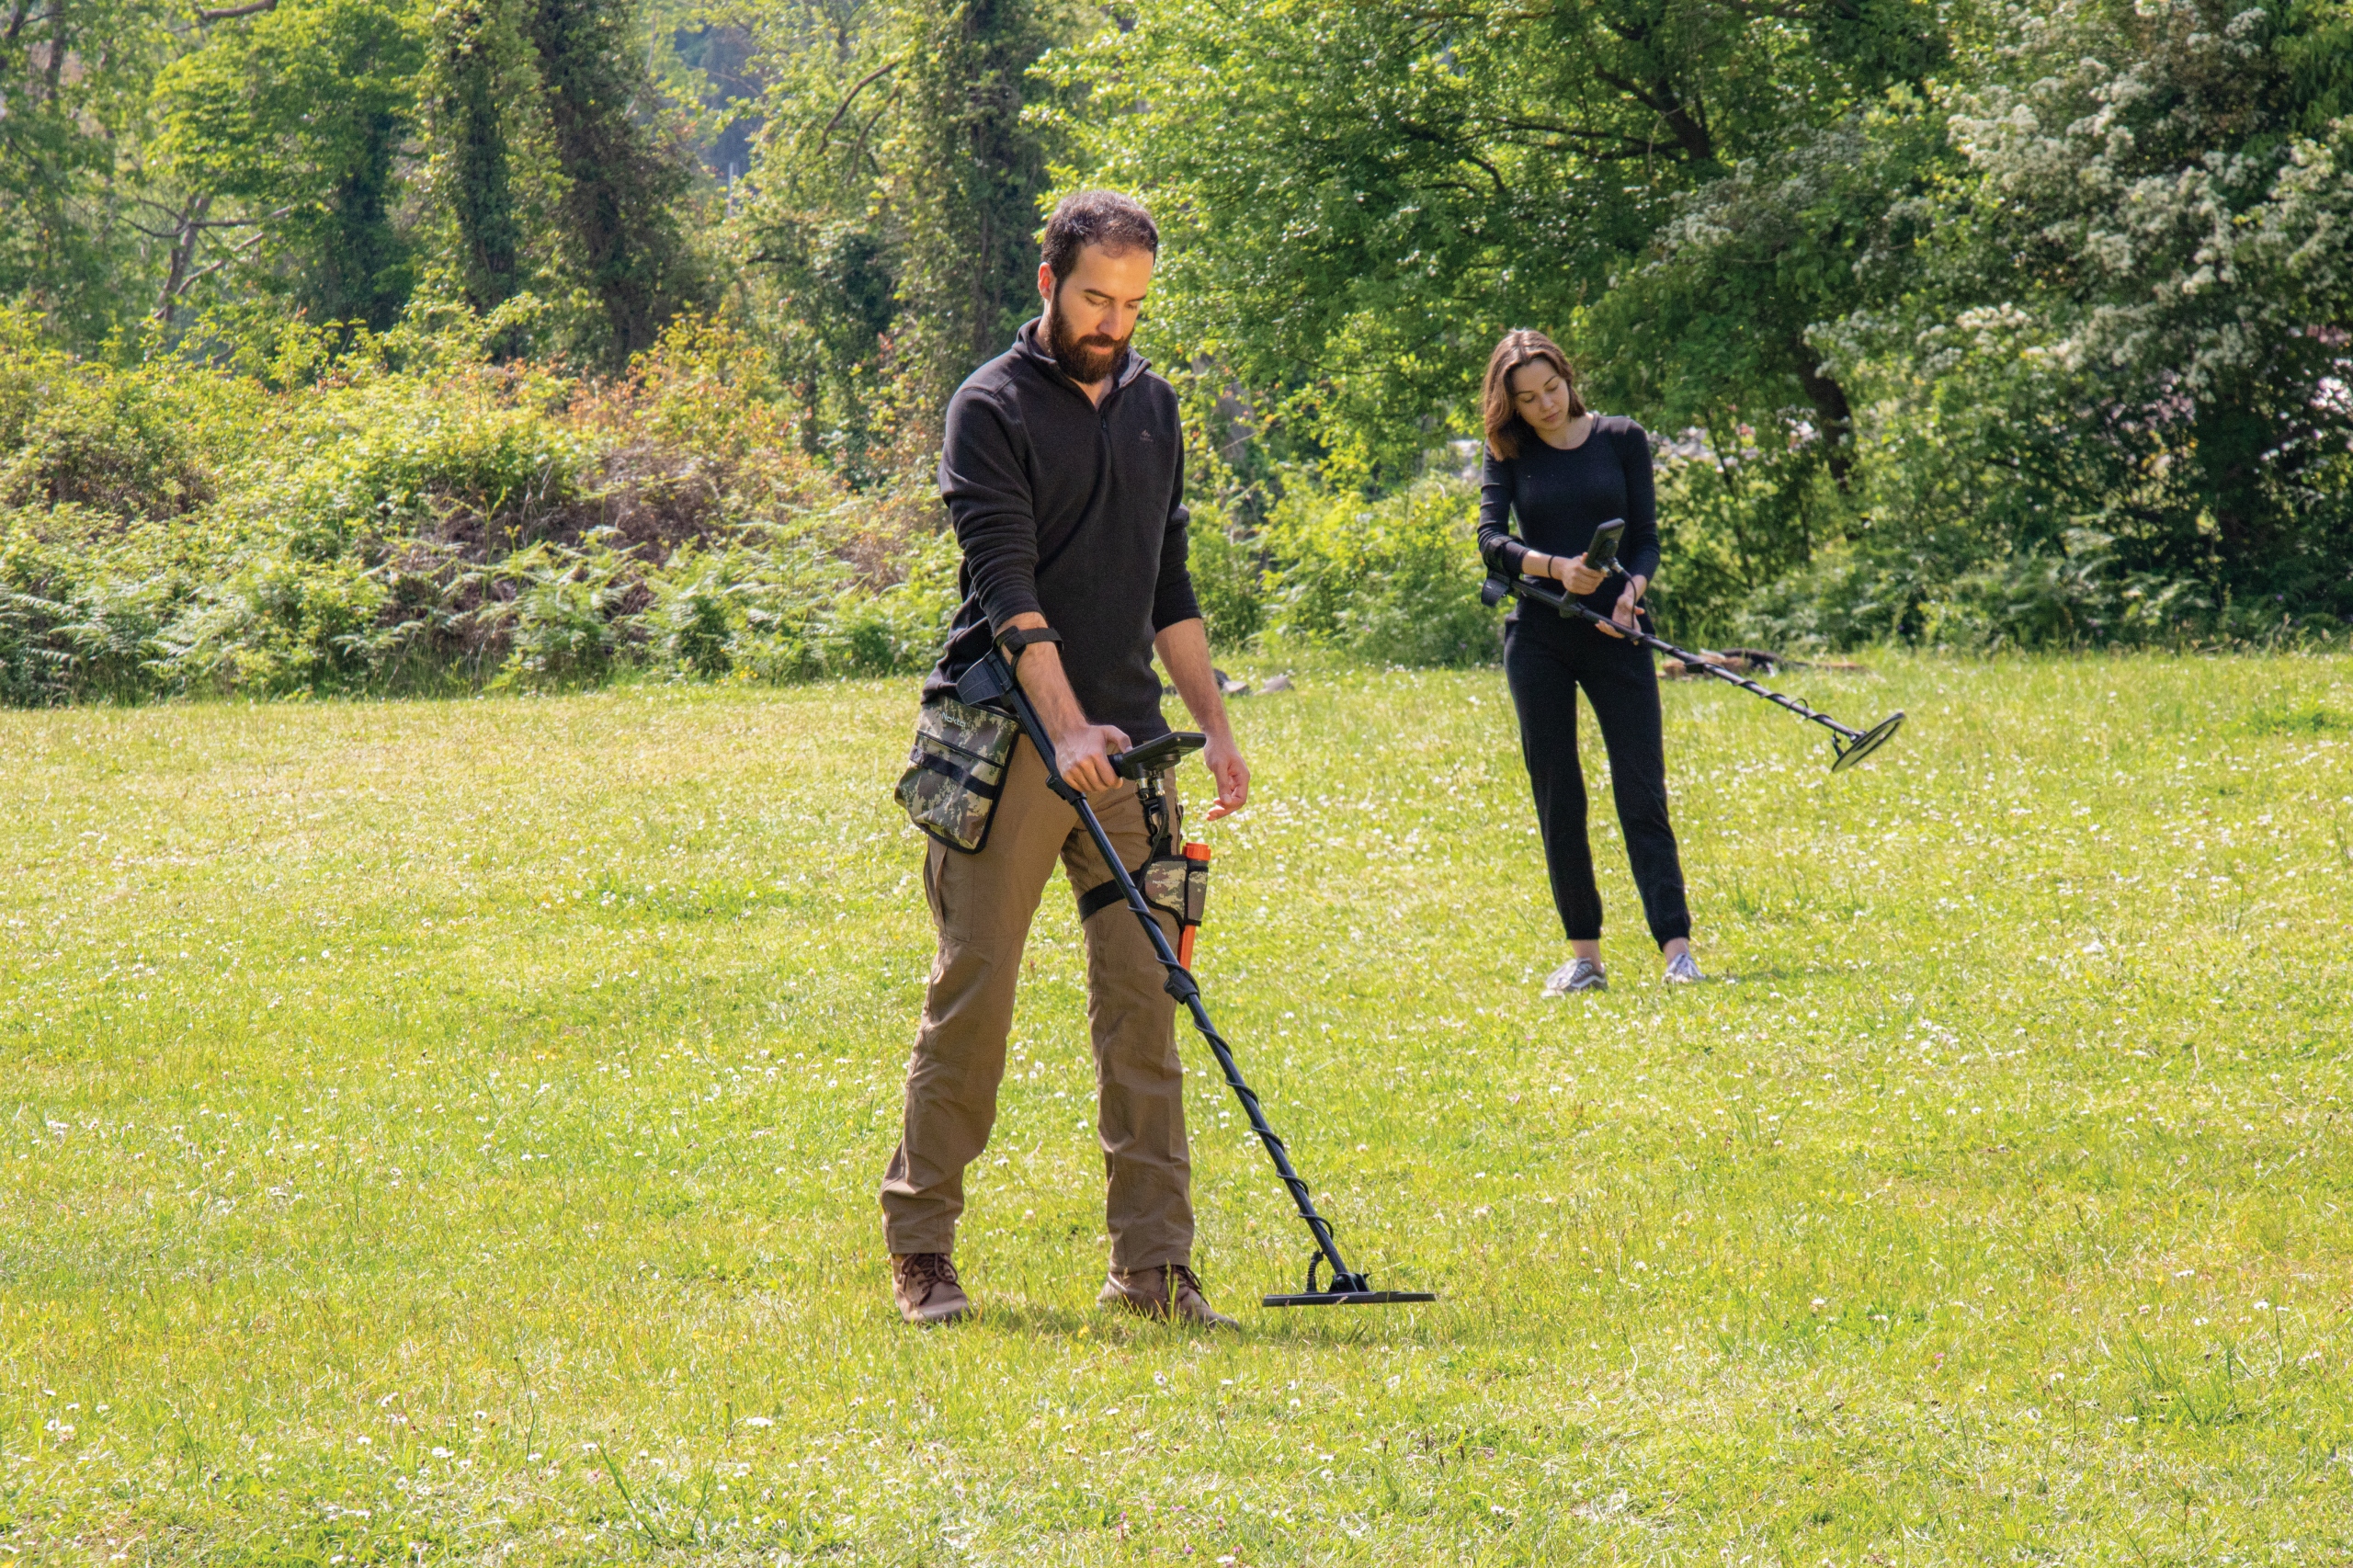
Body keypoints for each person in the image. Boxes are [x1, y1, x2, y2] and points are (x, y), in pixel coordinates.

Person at [880, 190, 1251, 1327]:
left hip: (1131, 748)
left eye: (1133, 304)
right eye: (1096, 298)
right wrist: (1068, 725)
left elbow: (1167, 582)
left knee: (1147, 1002)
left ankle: (1153, 1265)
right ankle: (921, 1246)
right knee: (975, 993)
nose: (1113, 323)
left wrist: (1213, 722)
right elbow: (1006, 587)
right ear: (1049, 282)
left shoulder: (1154, 406)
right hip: (1010, 743)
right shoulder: (988, 407)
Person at [1476, 328, 1700, 994]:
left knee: (1641, 788)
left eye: (1552, 388)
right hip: (1539, 637)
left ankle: (1677, 950)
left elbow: (1647, 540)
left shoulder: (1622, 438)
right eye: (1528, 398)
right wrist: (1553, 567)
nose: (1545, 405)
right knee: (1559, 793)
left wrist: (1632, 592)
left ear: (1568, 377)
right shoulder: (1508, 450)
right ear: (1510, 405)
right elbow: (1490, 539)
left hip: (1619, 632)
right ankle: (1586, 958)